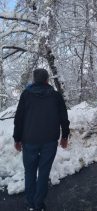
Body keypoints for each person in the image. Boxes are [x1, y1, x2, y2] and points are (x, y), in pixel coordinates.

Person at [13, 68, 70, 211]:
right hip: (49, 141)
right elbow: (64, 117)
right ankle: (38, 204)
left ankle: (30, 203)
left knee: (29, 172)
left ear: (34, 80)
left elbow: (19, 118)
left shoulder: (26, 95)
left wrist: (17, 138)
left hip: (29, 140)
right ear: (47, 80)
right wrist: (64, 136)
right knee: (44, 172)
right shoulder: (56, 96)